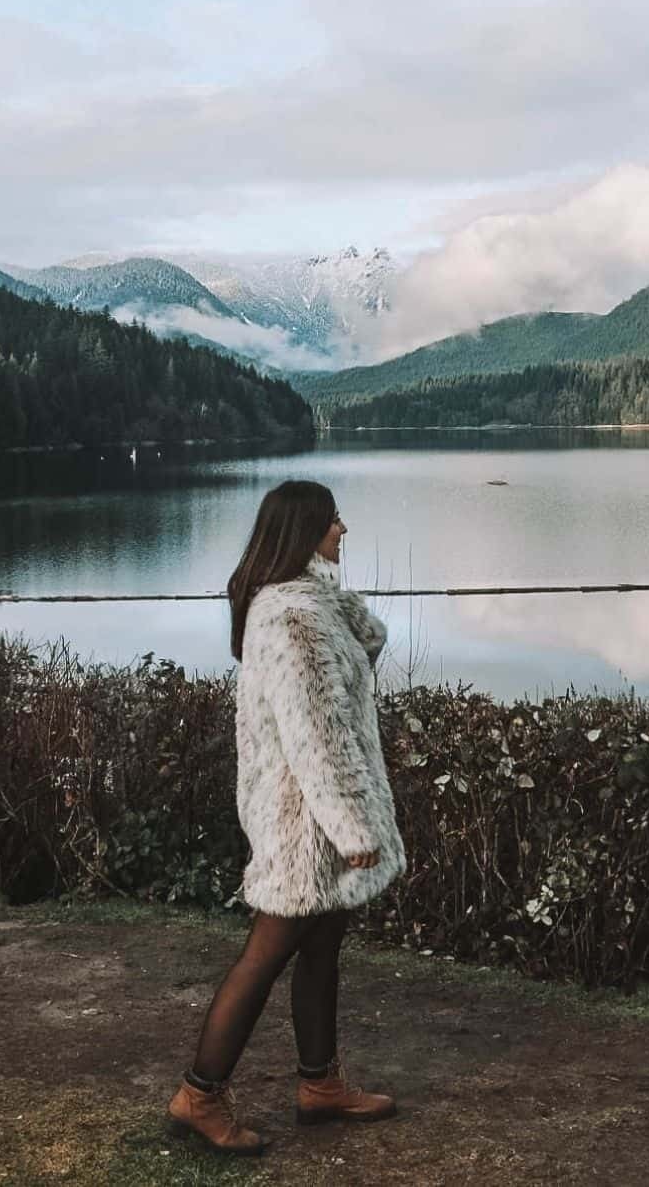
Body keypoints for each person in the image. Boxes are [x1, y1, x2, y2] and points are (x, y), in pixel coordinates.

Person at [166, 479, 407, 1155]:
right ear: (305, 533)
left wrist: (348, 614)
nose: (344, 530)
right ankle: (200, 1093)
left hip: (315, 813)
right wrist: (353, 827)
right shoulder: (293, 616)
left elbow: (354, 665)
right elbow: (315, 736)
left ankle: (320, 1086)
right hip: (305, 820)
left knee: (323, 947)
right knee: (267, 954)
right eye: (334, 521)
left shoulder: (307, 604)